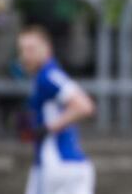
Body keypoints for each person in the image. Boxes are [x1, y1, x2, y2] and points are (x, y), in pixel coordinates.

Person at [18, 25, 95, 194]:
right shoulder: (44, 76)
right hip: (67, 166)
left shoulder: (48, 75)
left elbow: (84, 106)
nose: (25, 56)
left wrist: (48, 128)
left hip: (58, 165)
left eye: (31, 49)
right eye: (22, 50)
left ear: (47, 48)